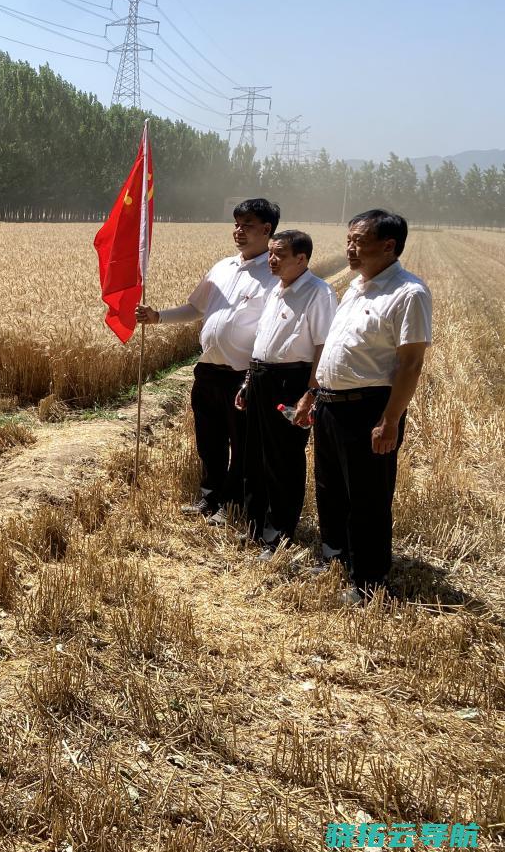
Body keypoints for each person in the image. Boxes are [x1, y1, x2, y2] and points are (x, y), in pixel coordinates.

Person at [289, 210, 431, 605]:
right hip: (332, 406)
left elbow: (410, 364)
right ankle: (336, 557)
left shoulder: (408, 293)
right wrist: (312, 395)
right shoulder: (355, 286)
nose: (349, 247)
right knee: (330, 489)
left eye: (358, 240)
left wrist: (390, 420)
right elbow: (334, 349)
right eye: (348, 239)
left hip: (369, 409)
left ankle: (368, 582)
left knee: (368, 498)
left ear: (388, 245)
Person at [136, 199, 281, 521]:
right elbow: (196, 308)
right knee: (209, 441)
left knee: (242, 445)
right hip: (208, 370)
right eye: (236, 224)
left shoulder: (274, 274)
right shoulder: (222, 268)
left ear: (267, 230)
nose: (239, 231)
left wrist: (256, 376)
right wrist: (158, 317)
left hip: (243, 375)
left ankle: (233, 505)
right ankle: (210, 497)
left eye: (247, 225)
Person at [235, 229, 336, 557]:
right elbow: (264, 342)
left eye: (279, 254)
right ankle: (253, 527)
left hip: (289, 384)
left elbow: (323, 347)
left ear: (302, 258)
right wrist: (249, 383)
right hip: (261, 378)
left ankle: (278, 534)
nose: (272, 260)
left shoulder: (318, 293)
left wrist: (310, 393)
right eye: (271, 253)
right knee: (253, 456)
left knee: (282, 461)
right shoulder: (276, 290)